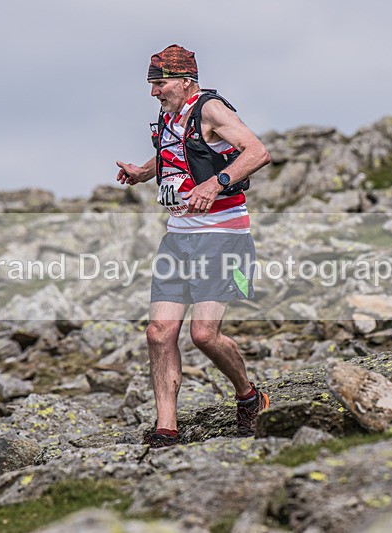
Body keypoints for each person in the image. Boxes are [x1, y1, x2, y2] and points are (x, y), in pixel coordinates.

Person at [115, 44, 272, 448]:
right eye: (152, 84)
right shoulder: (170, 116)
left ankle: (249, 397)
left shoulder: (211, 110)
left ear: (186, 82)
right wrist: (142, 172)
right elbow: (175, 154)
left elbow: (257, 152)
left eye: (161, 84)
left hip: (223, 236)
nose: (154, 92)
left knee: (203, 334)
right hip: (178, 237)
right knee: (158, 333)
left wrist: (216, 184)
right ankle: (166, 429)